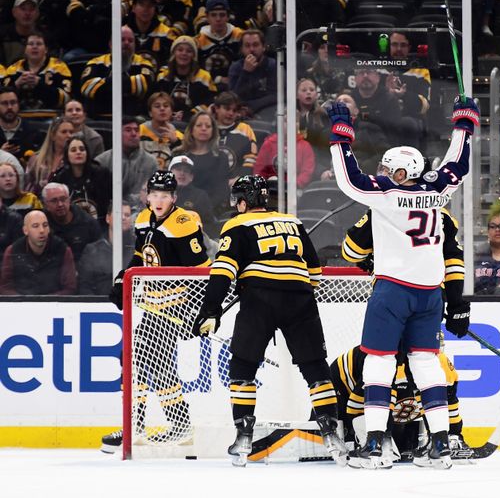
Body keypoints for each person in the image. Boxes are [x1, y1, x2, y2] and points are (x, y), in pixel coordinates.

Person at [325, 95, 478, 469]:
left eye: (386, 168)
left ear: (397, 173)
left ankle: (375, 444)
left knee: (377, 362)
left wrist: (341, 132)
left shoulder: (385, 195)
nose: (381, 172)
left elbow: (348, 179)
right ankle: (440, 445)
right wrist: (464, 122)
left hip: (392, 290)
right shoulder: (439, 193)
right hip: (430, 294)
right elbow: (458, 163)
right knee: (426, 363)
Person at [191, 175, 348, 467]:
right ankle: (332, 433)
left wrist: (212, 307)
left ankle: (243, 436)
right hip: (301, 297)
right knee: (315, 367)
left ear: (243, 201)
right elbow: (315, 272)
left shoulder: (237, 224)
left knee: (243, 365)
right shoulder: (293, 222)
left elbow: (223, 269)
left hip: (260, 299)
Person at [101, 170, 210, 454]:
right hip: (151, 304)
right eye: (155, 194)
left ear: (174, 198)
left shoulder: (185, 223)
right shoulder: (142, 219)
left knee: (142, 355)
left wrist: (199, 308)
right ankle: (157, 423)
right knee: (145, 360)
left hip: (179, 305)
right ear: (147, 196)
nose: (159, 200)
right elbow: (141, 256)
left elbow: (200, 270)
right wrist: (123, 277)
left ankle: (148, 424)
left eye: (165, 195)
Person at [327, 345, 472, 466]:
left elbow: (446, 403)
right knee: (375, 414)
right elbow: (356, 404)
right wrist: (375, 441)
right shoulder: (391, 364)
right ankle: (364, 441)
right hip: (341, 384)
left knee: (404, 445)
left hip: (389, 387)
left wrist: (453, 434)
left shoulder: (441, 367)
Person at [80, 25, 156, 119]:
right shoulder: (96, 62)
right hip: (99, 118)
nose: (126, 43)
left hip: (133, 120)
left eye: (130, 40)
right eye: (122, 39)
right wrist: (130, 85)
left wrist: (104, 84)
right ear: (111, 44)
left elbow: (144, 85)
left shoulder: (144, 63)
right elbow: (87, 88)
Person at [0, 209, 76, 295]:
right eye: (35, 226)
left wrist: (45, 302)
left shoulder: (63, 250)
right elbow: (5, 287)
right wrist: (25, 302)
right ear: (25, 230)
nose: (42, 230)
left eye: (45, 225)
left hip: (54, 305)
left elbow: (70, 288)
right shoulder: (12, 251)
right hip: (22, 305)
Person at [3, 31, 71, 119]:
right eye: (31, 44)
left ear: (46, 49)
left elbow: (65, 99)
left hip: (52, 117)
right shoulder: (13, 69)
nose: (34, 47)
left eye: (39, 44)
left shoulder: (59, 67)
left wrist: (39, 84)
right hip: (19, 118)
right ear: (25, 49)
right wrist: (16, 85)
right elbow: (2, 99)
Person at [173, 111, 229, 210]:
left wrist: (204, 208)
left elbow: (220, 191)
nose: (203, 129)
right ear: (191, 129)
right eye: (199, 125)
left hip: (209, 209)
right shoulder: (178, 154)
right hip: (178, 207)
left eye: (208, 126)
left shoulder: (221, 157)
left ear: (213, 131)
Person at [96, 117, 158, 204]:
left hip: (142, 211)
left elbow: (155, 193)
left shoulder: (151, 162)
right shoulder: (102, 161)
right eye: (128, 130)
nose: (133, 134)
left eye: (136, 130)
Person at [77, 200, 135, 295]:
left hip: (130, 305)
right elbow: (84, 286)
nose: (123, 218)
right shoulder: (92, 250)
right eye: (118, 214)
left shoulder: (137, 250)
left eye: (127, 215)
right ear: (108, 218)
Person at [154, 35, 217, 120]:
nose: (184, 53)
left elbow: (210, 102)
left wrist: (188, 115)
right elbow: (155, 100)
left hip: (194, 122)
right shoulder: (163, 75)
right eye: (180, 50)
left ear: (193, 56)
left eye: (189, 51)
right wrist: (169, 114)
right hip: (165, 121)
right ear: (173, 53)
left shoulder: (204, 77)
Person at [51, 136, 111, 221]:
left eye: (82, 149)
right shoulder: (60, 178)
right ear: (67, 155)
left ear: (87, 153)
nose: (78, 152)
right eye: (73, 150)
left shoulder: (102, 174)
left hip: (99, 224)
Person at [41, 182, 101, 261]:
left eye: (63, 199)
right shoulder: (41, 224)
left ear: (69, 200)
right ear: (45, 205)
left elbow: (98, 257)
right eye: (54, 201)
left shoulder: (89, 223)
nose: (60, 204)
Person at [194, 0, 244, 89]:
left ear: (228, 17)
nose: (218, 19)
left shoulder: (239, 35)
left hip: (236, 84)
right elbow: (196, 68)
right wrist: (218, 79)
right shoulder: (199, 40)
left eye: (222, 15)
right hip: (208, 85)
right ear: (207, 17)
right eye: (213, 15)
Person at [227, 29, 277, 120]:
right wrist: (246, 72)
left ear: (264, 47)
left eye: (256, 45)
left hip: (268, 111)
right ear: (242, 49)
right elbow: (233, 98)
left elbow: (276, 96)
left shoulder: (273, 65)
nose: (252, 49)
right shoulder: (236, 68)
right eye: (247, 46)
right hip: (242, 112)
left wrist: (252, 107)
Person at [210, 91, 257, 179]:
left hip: (236, 182)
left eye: (234, 110)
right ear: (216, 108)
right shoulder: (207, 127)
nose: (231, 113)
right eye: (227, 109)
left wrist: (240, 178)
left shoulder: (245, 129)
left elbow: (251, 157)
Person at [24, 116, 75, 196]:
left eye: (71, 132)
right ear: (53, 135)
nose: (69, 136)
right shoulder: (35, 160)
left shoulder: (75, 159)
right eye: (64, 132)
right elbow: (27, 189)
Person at [0, 86, 45, 164]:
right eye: (4, 103)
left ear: (18, 104)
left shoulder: (33, 133)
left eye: (13, 102)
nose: (9, 107)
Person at [139, 92, 184, 170]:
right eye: (157, 106)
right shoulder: (139, 131)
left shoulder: (179, 137)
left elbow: (183, 167)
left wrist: (176, 142)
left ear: (171, 112)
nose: (162, 109)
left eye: (166, 106)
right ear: (150, 113)